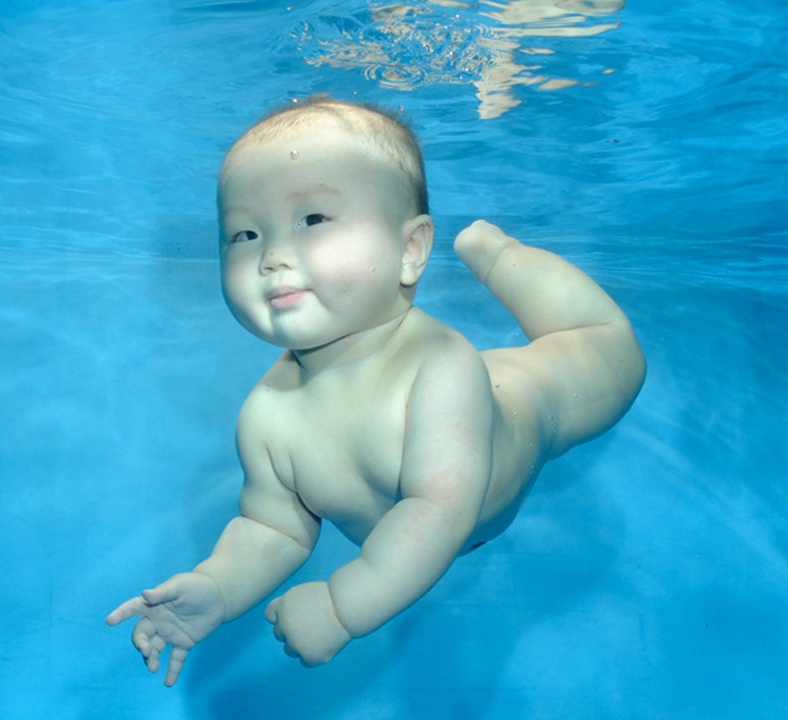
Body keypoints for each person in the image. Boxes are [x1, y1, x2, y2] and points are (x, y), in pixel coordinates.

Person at [106, 96, 646, 686]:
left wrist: (343, 607)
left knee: (607, 347)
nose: (272, 256)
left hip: (534, 403)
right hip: (473, 474)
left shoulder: (443, 368)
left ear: (409, 250)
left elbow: (438, 511)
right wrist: (217, 586)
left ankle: (499, 257)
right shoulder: (265, 415)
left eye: (312, 219)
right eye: (244, 233)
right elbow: (273, 528)